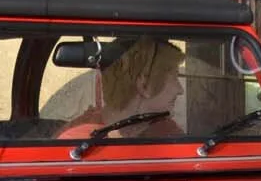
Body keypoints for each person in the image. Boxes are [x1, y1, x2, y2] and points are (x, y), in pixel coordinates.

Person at [57, 36, 186, 139]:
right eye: (174, 78)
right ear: (144, 84)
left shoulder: (164, 128)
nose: (180, 90)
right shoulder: (78, 139)